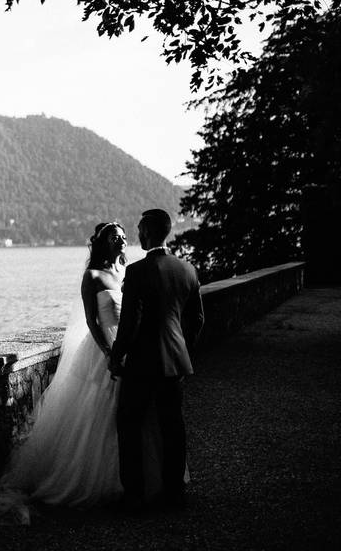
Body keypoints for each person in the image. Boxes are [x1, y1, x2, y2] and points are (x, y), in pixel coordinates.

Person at [0, 221, 128, 524]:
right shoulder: (93, 276)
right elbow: (91, 321)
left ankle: (128, 477)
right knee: (100, 415)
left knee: (126, 416)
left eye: (124, 236)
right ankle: (95, 480)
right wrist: (109, 352)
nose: (122, 240)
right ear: (103, 244)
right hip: (104, 353)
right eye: (115, 237)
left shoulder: (126, 272)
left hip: (129, 349)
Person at [109, 209, 204, 510]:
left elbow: (130, 322)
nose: (137, 233)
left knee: (128, 424)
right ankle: (174, 493)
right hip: (174, 361)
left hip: (141, 362)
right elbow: (198, 318)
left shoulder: (136, 272)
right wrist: (183, 347)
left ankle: (135, 495)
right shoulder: (187, 269)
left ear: (149, 232)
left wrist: (116, 355)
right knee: (172, 426)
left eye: (139, 228)